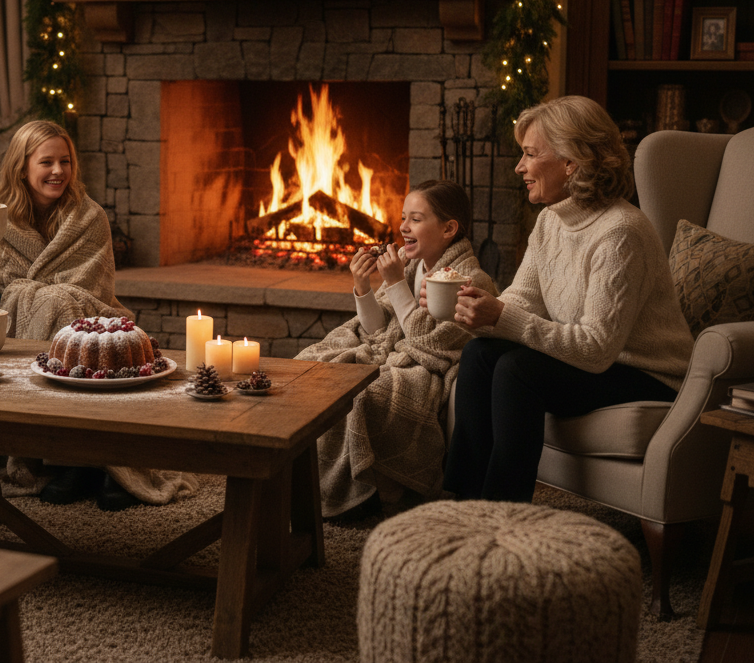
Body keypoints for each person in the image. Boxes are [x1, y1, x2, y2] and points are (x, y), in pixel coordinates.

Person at [443, 95, 694, 502]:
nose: (519, 167)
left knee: (516, 369)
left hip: (647, 374)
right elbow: (519, 301)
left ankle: (502, 512)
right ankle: (464, 500)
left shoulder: (621, 232)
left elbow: (596, 349)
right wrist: (465, 306)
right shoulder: (550, 221)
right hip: (599, 364)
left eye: (529, 154)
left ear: (571, 163)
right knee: (481, 355)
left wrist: (501, 316)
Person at [0, 120, 200, 511]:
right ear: (21, 167)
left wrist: (53, 298)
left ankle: (102, 463)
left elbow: (94, 289)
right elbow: (4, 282)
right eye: (46, 162)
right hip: (29, 317)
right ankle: (72, 460)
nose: (58, 171)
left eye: (65, 161)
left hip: (93, 314)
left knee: (70, 314)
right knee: (55, 306)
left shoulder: (88, 217)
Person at [295, 179, 496, 519]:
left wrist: (394, 282)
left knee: (363, 394)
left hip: (428, 368)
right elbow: (379, 329)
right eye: (403, 217)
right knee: (313, 367)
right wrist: (363, 287)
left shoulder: (470, 280)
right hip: (396, 352)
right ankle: (307, 479)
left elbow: (429, 343)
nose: (403, 227)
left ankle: (364, 491)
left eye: (415, 219)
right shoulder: (410, 263)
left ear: (449, 228)